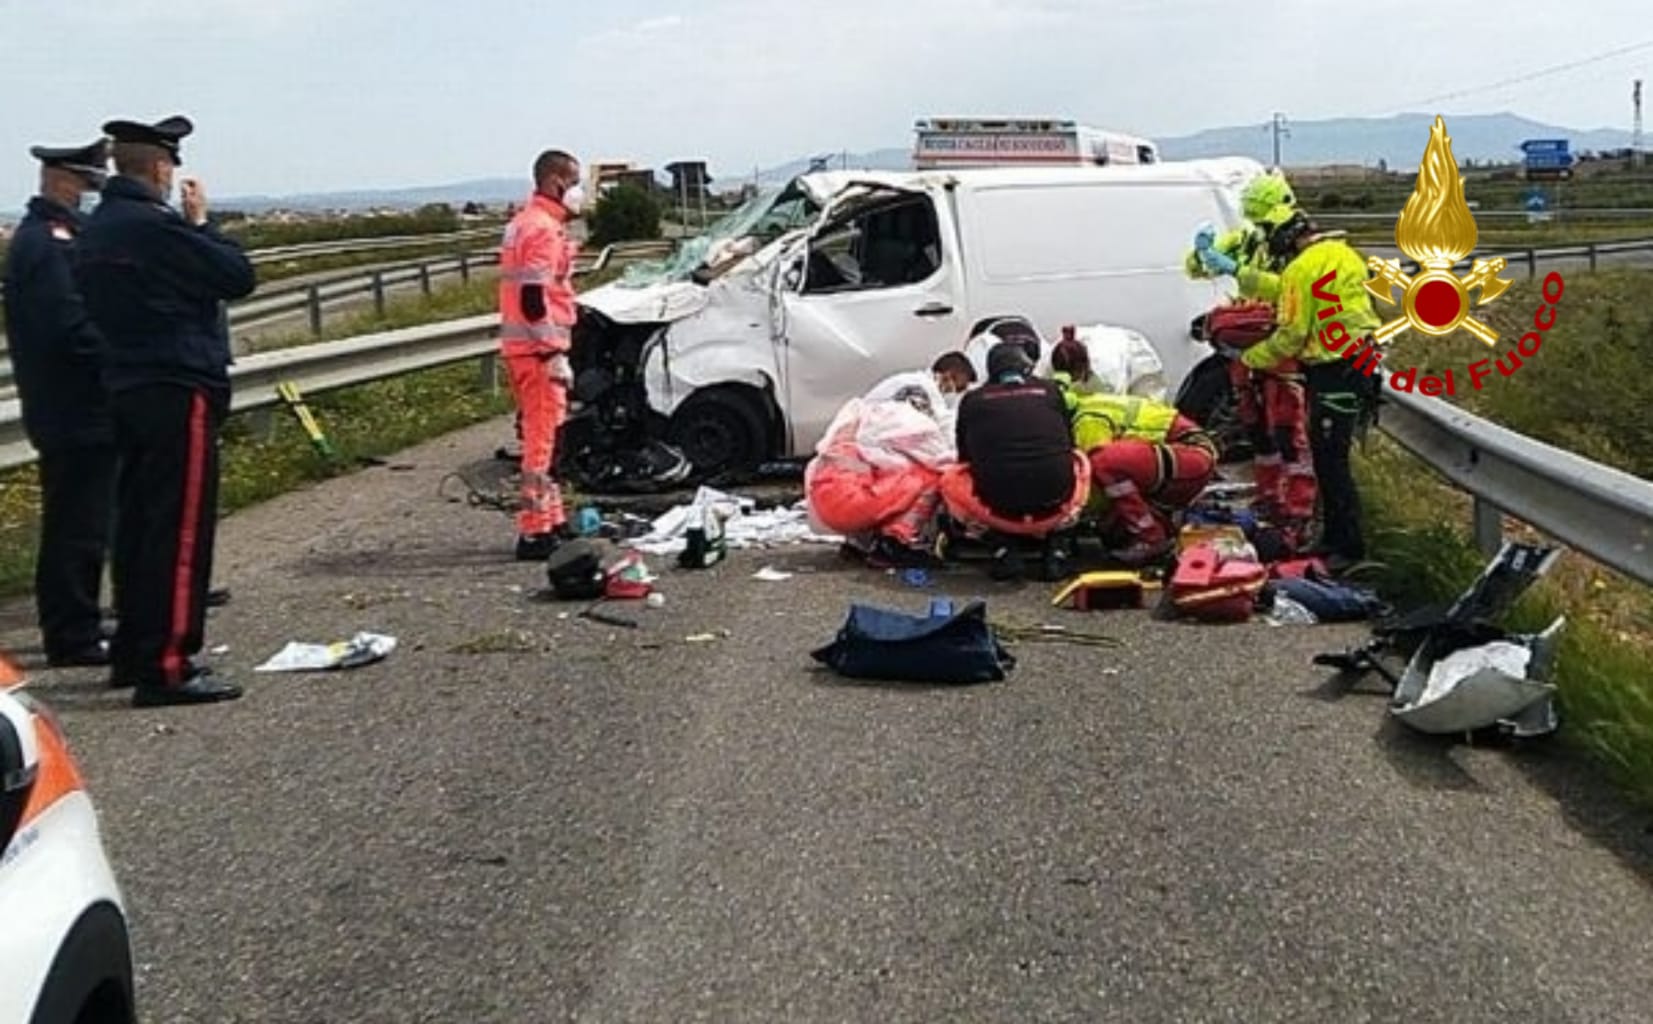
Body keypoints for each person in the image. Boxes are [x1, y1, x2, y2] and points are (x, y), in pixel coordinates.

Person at [75, 115, 256, 706]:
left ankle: (135, 650)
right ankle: (170, 663)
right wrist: (204, 223)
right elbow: (236, 276)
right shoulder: (154, 225)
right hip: (178, 382)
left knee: (138, 527)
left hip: (125, 384)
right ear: (160, 167)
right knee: (180, 531)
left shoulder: (99, 226)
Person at [3, 138, 114, 668]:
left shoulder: (61, 237)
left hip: (77, 404)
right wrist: (119, 356)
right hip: (71, 405)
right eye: (91, 183)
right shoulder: (47, 243)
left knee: (90, 519)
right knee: (76, 524)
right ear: (63, 180)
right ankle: (72, 635)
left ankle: (84, 615)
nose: (94, 193)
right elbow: (67, 328)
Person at [1240, 207, 1381, 568]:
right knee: (1331, 457)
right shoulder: (1343, 253)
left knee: (1330, 460)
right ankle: (1334, 539)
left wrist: (1251, 359)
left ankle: (1347, 548)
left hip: (1333, 368)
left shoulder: (1298, 270)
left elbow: (1292, 334)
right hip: (1360, 362)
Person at [1051, 340, 1217, 565]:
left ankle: (1150, 538)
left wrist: (1065, 515)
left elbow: (1093, 480)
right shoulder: (1089, 400)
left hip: (1190, 456)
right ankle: (1160, 531)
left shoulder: (1088, 419)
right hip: (1184, 457)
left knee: (1103, 462)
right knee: (1112, 525)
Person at [941, 341, 1090, 579]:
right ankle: (1059, 547)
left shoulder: (972, 400)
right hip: (1056, 507)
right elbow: (1069, 444)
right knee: (1079, 459)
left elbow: (965, 457)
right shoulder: (1051, 391)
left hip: (997, 512)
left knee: (950, 478)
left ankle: (1000, 547)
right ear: (1027, 367)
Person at [500, 149, 585, 561]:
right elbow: (534, 297)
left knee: (548, 440)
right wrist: (552, 351)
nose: (579, 192)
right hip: (537, 351)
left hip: (525, 349)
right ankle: (534, 530)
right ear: (556, 181)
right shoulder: (542, 230)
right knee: (540, 444)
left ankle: (551, 520)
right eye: (575, 182)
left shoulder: (523, 223)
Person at [807, 361, 964, 568]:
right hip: (849, 507)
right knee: (931, 477)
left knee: (888, 475)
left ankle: (859, 542)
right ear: (948, 376)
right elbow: (941, 458)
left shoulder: (866, 416)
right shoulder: (911, 423)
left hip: (824, 501)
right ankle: (896, 543)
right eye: (959, 387)